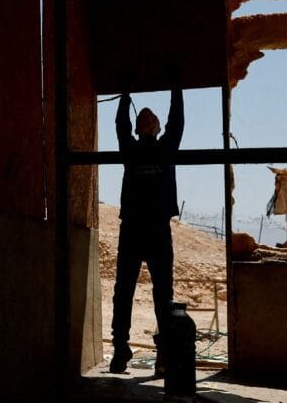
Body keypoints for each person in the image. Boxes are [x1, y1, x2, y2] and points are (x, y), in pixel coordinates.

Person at [110, 87, 184, 374]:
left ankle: (132, 352)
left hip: (137, 229)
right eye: (145, 117)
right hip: (149, 230)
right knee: (151, 292)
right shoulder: (160, 149)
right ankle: (130, 351)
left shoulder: (137, 149)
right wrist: (175, 88)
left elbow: (123, 125)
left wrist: (127, 94)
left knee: (131, 291)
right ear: (152, 128)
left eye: (147, 117)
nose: (147, 118)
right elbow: (175, 123)